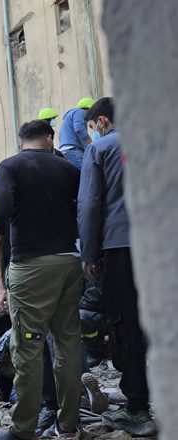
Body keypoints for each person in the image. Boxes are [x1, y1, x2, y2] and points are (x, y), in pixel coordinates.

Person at [0, 120, 82, 440]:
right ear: (49, 139)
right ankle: (68, 426)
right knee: (67, 344)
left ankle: (24, 428)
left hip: (30, 267)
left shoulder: (10, 166)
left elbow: (0, 208)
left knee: (28, 345)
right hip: (69, 261)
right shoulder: (68, 169)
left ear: (22, 142)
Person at [79, 98, 157, 436]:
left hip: (121, 247)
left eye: (92, 126)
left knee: (126, 325)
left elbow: (89, 204)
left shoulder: (101, 149)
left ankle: (137, 408)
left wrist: (88, 253)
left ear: (102, 122)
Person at [58, 97, 95, 169]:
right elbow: (79, 129)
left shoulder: (73, 114)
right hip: (73, 150)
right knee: (85, 173)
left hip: (68, 150)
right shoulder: (80, 112)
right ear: (90, 109)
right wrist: (90, 144)